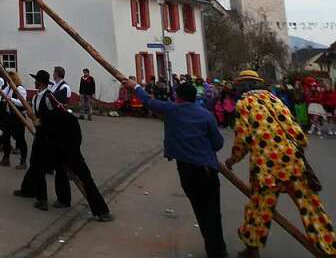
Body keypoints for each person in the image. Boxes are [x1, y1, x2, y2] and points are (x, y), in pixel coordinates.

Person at [225, 69, 336, 257]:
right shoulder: (275, 100)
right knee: (311, 207)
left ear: (243, 85)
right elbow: (297, 132)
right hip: (293, 163)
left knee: (259, 209)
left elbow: (243, 138)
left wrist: (232, 160)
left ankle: (252, 249)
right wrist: (294, 151)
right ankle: (329, 247)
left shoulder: (244, 103)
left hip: (266, 168)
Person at [126, 78, 227, 258]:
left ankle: (215, 250)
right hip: (209, 170)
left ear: (178, 97)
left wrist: (136, 87)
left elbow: (149, 101)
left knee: (201, 210)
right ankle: (218, 249)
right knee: (213, 211)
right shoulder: (206, 115)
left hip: (188, 171)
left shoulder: (172, 110)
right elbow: (218, 143)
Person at [15, 70, 112, 221]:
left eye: (36, 81)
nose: (34, 83)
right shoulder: (38, 98)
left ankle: (100, 210)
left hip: (61, 142)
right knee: (41, 166)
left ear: (39, 83)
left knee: (80, 174)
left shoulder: (48, 98)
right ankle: (43, 198)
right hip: (50, 140)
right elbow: (39, 118)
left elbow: (65, 118)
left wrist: (42, 124)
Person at [0, 74, 29, 169]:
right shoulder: (9, 87)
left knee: (20, 139)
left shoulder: (20, 89)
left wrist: (11, 99)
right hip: (10, 115)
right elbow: (1, 93)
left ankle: (23, 161)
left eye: (9, 79)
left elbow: (23, 102)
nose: (7, 81)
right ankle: (6, 158)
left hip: (18, 116)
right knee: (5, 137)